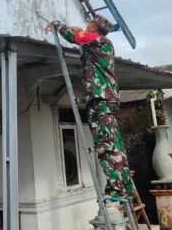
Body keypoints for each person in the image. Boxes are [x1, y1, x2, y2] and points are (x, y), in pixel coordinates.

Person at [44, 15, 134, 200]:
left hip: (100, 99)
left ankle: (117, 189)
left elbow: (75, 37)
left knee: (105, 144)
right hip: (106, 99)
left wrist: (57, 24)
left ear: (94, 27)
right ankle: (126, 187)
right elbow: (81, 35)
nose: (86, 24)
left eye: (89, 22)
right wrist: (77, 29)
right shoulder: (100, 42)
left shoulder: (98, 40)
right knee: (114, 142)